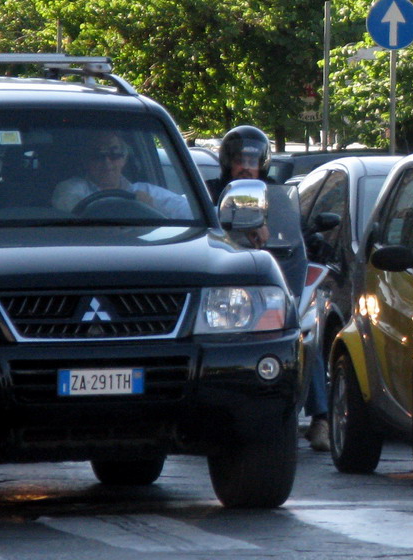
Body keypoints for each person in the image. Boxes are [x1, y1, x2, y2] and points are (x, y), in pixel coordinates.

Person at [213, 126, 327, 451]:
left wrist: (304, 237)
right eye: (239, 160)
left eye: (252, 160)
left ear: (263, 162)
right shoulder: (211, 193)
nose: (245, 166)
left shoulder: (278, 199)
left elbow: (294, 236)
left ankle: (322, 419)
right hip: (230, 292)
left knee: (306, 333)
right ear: (227, 162)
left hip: (275, 285)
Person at [53, 131, 193, 219]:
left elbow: (189, 211)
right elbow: (69, 215)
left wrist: (151, 209)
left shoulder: (145, 192)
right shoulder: (71, 188)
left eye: (114, 153)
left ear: (124, 159)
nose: (107, 162)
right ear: (85, 161)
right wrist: (137, 210)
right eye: (97, 155)